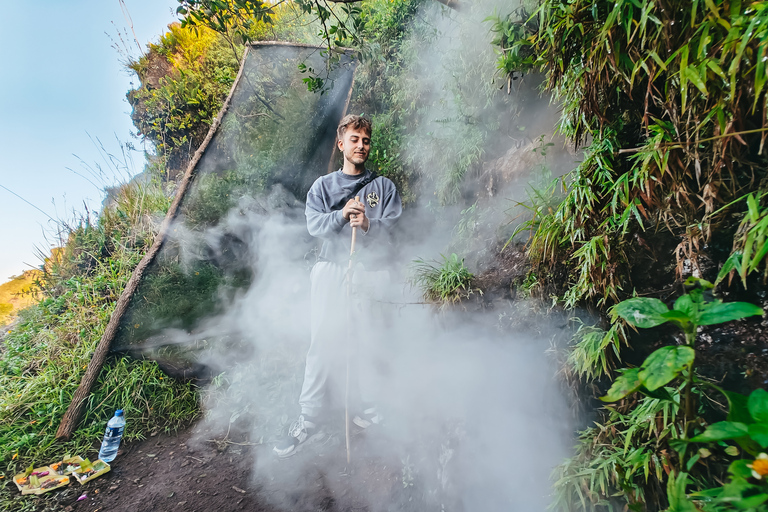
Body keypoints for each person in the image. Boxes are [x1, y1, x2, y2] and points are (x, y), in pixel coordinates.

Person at [273, 114, 403, 457]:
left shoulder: (384, 188)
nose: (362, 145)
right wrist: (342, 215)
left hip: (370, 272)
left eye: (366, 140)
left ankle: (370, 409)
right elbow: (314, 225)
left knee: (369, 340)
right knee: (322, 342)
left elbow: (397, 232)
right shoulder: (323, 186)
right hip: (330, 269)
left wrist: (369, 224)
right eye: (355, 139)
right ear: (341, 143)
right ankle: (308, 419)